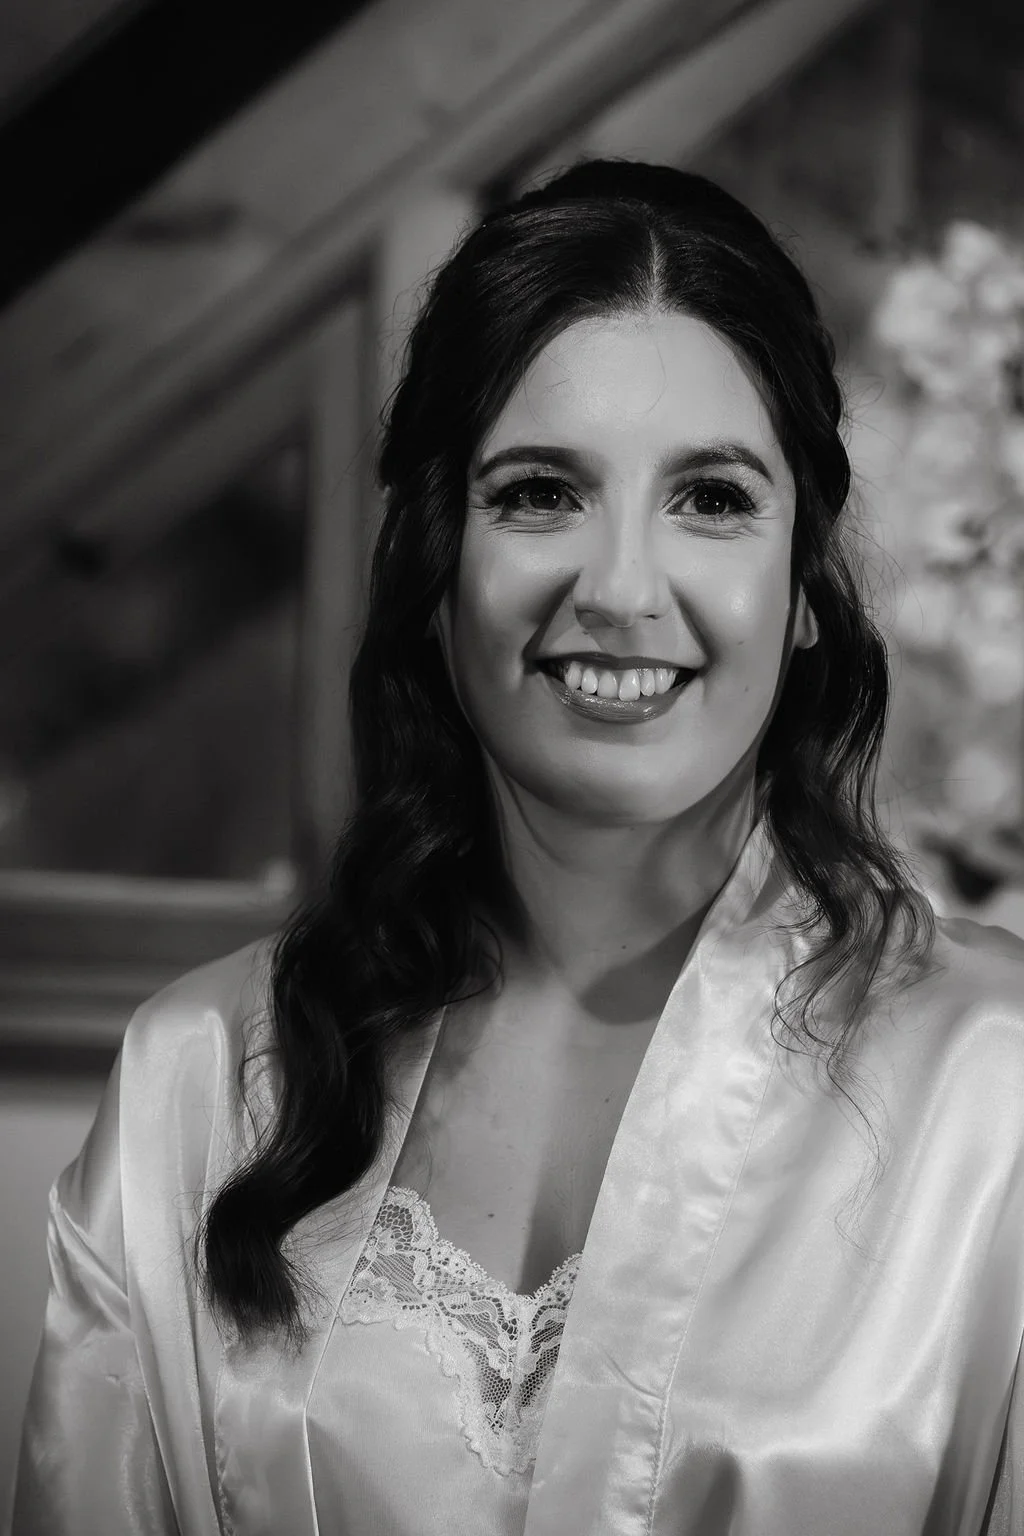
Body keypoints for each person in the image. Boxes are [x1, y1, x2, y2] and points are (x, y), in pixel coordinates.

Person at [8, 158, 1024, 1536]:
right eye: (541, 492)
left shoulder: (996, 1095)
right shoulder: (196, 1085)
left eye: (712, 498)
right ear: (438, 565)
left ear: (803, 586)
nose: (618, 588)